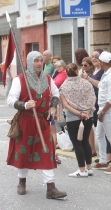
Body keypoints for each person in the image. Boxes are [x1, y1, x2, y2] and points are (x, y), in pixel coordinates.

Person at [6, 51, 67, 199]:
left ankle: (51, 188)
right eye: (36, 61)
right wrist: (25, 104)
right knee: (23, 151)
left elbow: (56, 94)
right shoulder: (20, 80)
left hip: (43, 121)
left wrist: (52, 107)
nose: (39, 63)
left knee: (46, 152)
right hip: (25, 121)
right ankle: (22, 182)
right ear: (29, 62)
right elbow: (10, 100)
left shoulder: (47, 78)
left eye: (41, 60)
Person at [60, 63, 96, 177]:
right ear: (77, 71)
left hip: (73, 117)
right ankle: (89, 167)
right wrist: (87, 111)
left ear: (66, 72)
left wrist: (78, 113)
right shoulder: (86, 83)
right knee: (85, 141)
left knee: (76, 143)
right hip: (88, 116)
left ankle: (81, 170)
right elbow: (93, 98)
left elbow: (65, 104)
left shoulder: (64, 86)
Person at [82, 51, 111, 175]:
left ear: (103, 62)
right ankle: (103, 161)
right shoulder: (106, 74)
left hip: (107, 110)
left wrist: (103, 112)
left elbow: (110, 98)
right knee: (99, 135)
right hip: (102, 109)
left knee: (110, 137)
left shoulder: (109, 76)